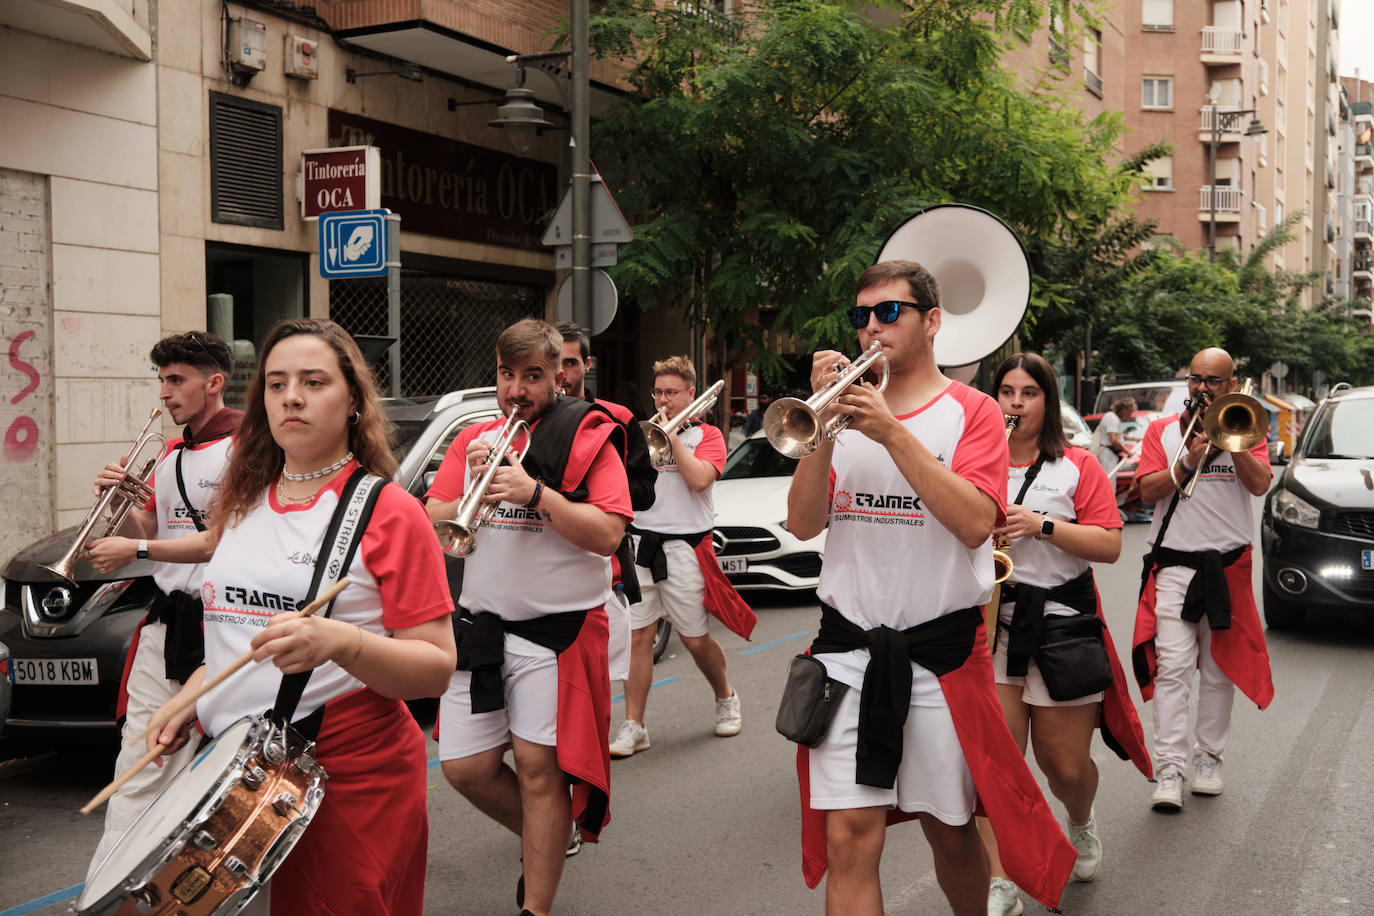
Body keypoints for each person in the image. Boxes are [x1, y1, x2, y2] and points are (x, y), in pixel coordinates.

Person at [785, 261, 1075, 916]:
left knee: (950, 834)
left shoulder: (972, 413)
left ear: (932, 321)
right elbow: (803, 523)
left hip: (939, 660)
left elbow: (977, 522)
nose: (870, 327)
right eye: (860, 316)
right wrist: (822, 431)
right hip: (848, 655)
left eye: (889, 312)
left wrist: (890, 430)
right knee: (849, 838)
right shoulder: (841, 414)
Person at [147, 318, 457, 914]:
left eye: (314, 382)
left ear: (353, 403)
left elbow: (436, 668)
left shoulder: (390, 511)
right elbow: (237, 635)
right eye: (276, 382)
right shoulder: (242, 497)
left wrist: (341, 641)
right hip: (240, 771)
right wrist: (190, 697)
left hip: (349, 773)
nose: (292, 395)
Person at [427, 318, 630, 916]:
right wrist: (472, 482)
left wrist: (536, 495)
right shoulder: (475, 438)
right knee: (465, 768)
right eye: (506, 374)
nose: (517, 389)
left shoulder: (590, 435)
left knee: (540, 768)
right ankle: (550, 831)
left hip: (556, 632)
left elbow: (609, 534)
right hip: (483, 627)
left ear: (559, 376)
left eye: (533, 376)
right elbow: (435, 514)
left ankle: (534, 905)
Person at [980, 353, 1151, 916]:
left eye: (1029, 393)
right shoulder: (972, 462)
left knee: (1065, 766)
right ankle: (1002, 878)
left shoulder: (1077, 465)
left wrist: (1043, 525)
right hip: (992, 627)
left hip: (1060, 628)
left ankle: (1079, 820)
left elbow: (1109, 544)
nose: (1016, 404)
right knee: (996, 764)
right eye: (1006, 391)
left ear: (1048, 403)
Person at [83, 331, 241, 881]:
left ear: (214, 382)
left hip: (229, 625)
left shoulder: (249, 445)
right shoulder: (170, 454)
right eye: (162, 380)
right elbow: (149, 525)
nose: (165, 393)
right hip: (167, 621)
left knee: (231, 773)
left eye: (177, 380)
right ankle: (107, 890)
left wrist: (137, 548)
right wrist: (123, 500)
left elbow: (224, 540)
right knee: (139, 763)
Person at [1131, 347, 1274, 811]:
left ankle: (1208, 759)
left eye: (1213, 381)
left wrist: (1231, 444)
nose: (1203, 388)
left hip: (1228, 565)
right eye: (1195, 379)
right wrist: (1189, 461)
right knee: (1172, 667)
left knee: (1218, 670)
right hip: (1173, 564)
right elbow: (1145, 489)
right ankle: (1169, 768)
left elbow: (1260, 485)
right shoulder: (1160, 431)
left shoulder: (1246, 425)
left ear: (1230, 386)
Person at [609, 354, 756, 758]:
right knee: (638, 637)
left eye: (671, 393)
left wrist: (671, 436)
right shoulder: (641, 434)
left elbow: (699, 479)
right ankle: (634, 725)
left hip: (685, 548)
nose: (663, 401)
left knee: (694, 639)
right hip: (642, 546)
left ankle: (725, 695)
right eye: (658, 392)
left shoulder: (707, 435)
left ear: (692, 394)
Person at [1095, 397, 1135, 471]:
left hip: (1109, 453)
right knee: (1109, 478)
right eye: (1129, 412)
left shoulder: (1112, 417)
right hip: (1108, 454)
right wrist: (1127, 452)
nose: (1129, 416)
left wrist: (1135, 439)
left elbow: (1119, 435)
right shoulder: (1113, 419)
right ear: (1124, 410)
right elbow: (1114, 439)